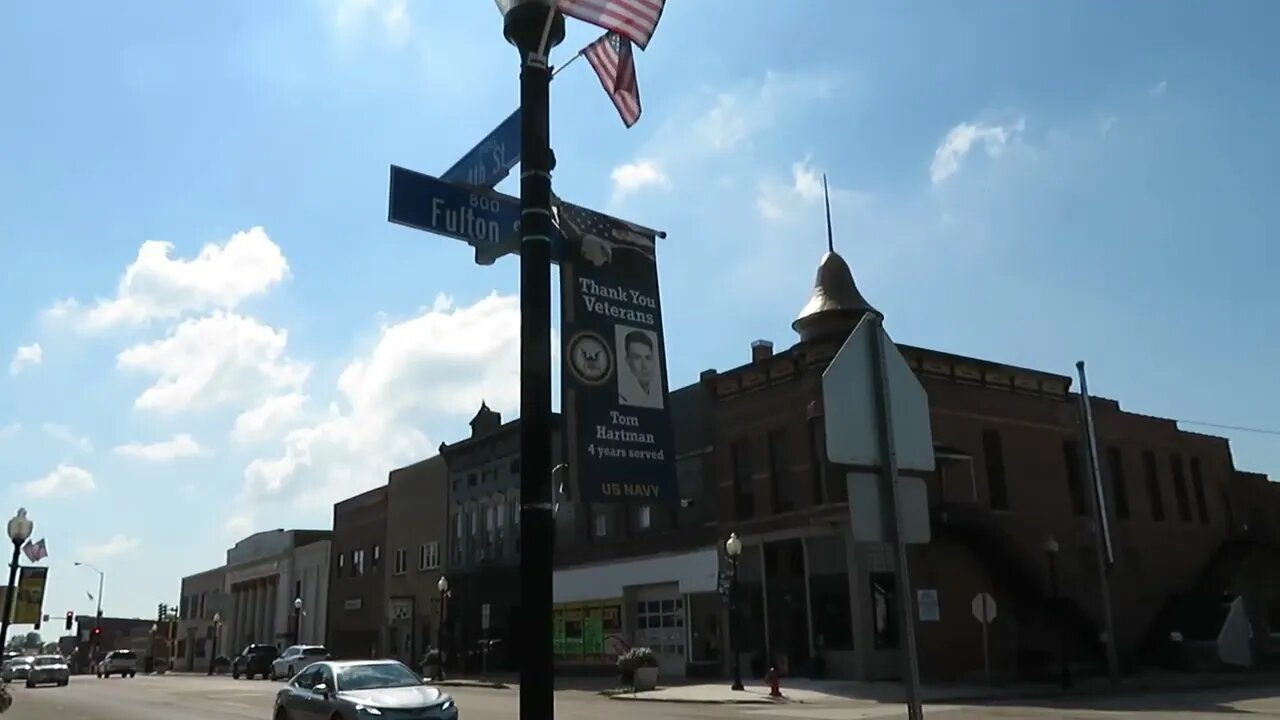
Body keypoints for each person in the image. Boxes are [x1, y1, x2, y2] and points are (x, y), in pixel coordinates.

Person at [617, 329, 663, 409]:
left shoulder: (658, 394)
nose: (644, 365)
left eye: (648, 358)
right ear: (627, 360)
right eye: (637, 358)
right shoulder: (621, 395)